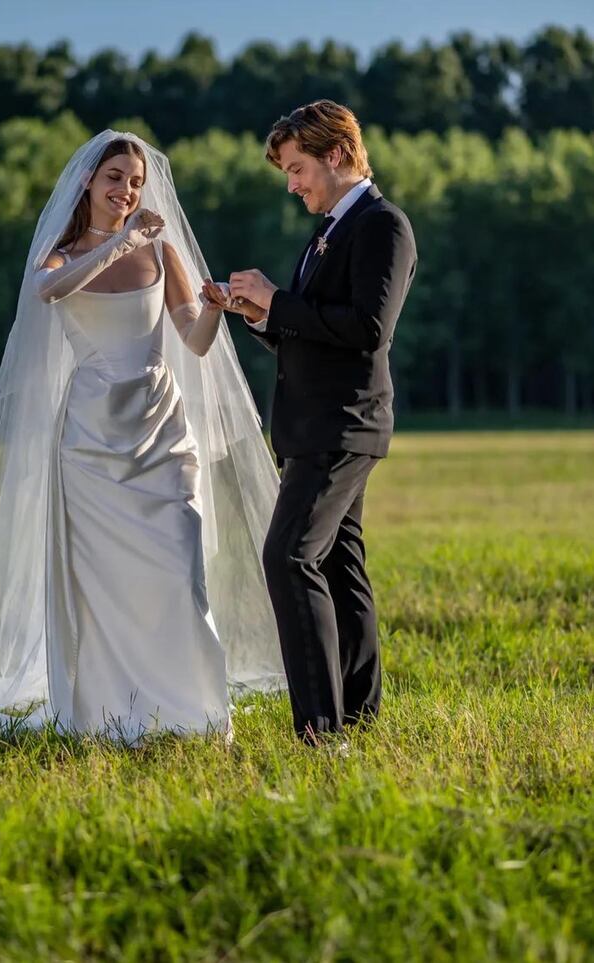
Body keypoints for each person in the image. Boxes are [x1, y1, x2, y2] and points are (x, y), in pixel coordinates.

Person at [0, 131, 285, 742]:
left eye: (135, 182)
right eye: (115, 178)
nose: (127, 191)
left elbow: (191, 335)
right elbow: (47, 288)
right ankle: (108, 711)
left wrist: (216, 306)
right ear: (88, 180)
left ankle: (193, 710)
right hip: (89, 434)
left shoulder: (161, 252)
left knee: (179, 566)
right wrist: (119, 245)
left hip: (161, 426)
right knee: (100, 580)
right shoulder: (63, 254)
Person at [206, 101, 417, 745]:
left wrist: (281, 301)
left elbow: (368, 331)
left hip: (343, 425)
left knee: (289, 555)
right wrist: (261, 314)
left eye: (298, 168)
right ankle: (358, 715)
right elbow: (313, 333)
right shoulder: (328, 230)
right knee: (337, 564)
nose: (292, 183)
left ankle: (322, 733)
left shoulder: (382, 225)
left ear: (336, 155)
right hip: (314, 426)